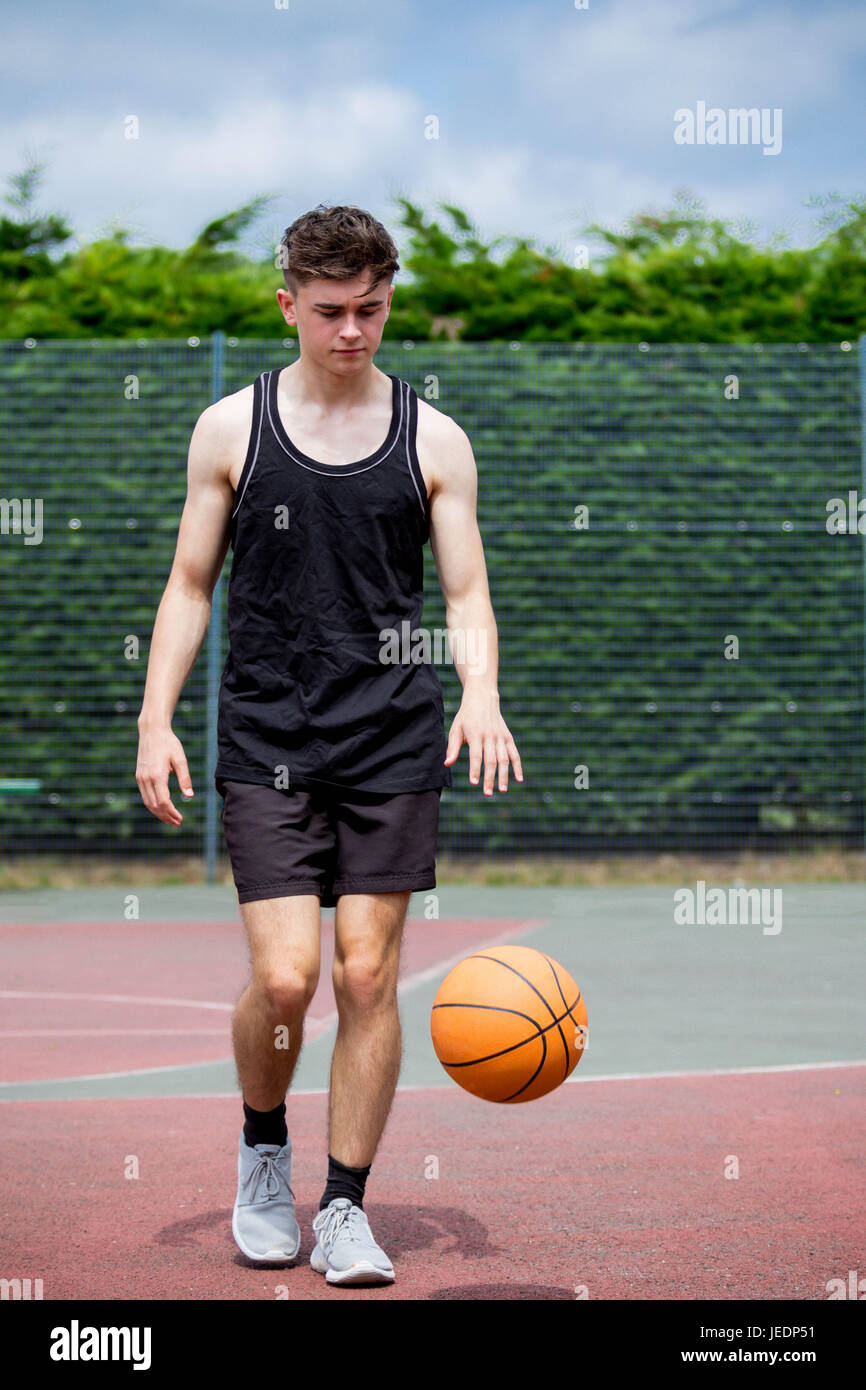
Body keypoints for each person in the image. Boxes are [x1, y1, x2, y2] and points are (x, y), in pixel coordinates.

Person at [136, 203, 522, 1286]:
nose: (352, 331)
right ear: (288, 305)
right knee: (287, 974)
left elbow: (465, 590)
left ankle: (345, 1207)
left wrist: (479, 693)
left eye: (371, 309)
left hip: (390, 736)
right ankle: (265, 1152)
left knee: (363, 973)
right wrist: (153, 714)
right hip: (267, 732)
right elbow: (187, 584)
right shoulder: (229, 429)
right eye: (330, 312)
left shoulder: (432, 439)